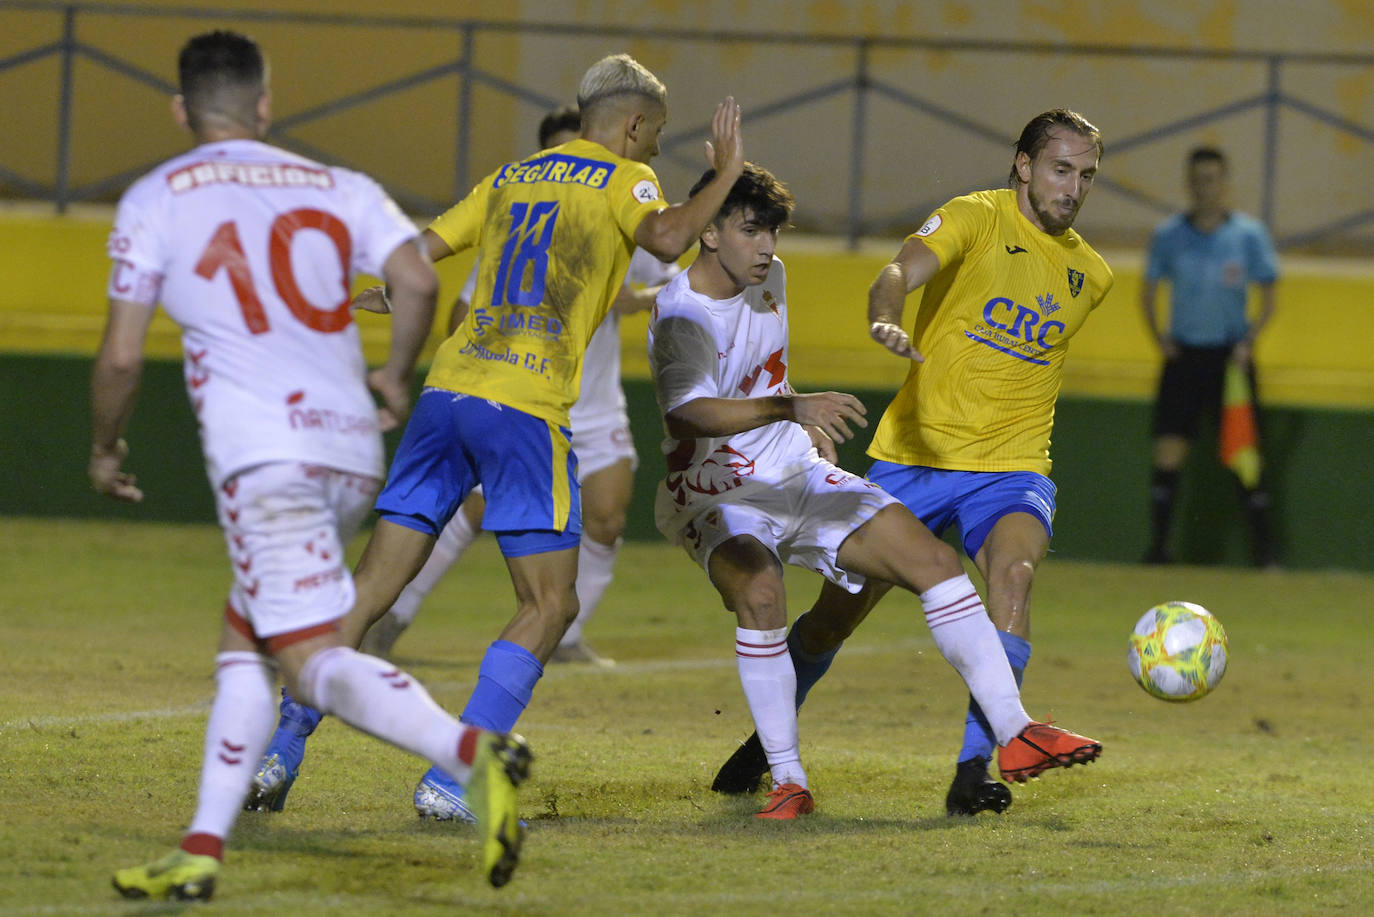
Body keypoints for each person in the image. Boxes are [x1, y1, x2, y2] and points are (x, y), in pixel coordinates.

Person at [242, 53, 746, 822]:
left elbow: (414, 258)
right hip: (522, 404)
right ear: (634, 124)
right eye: (655, 135)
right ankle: (453, 778)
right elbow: (673, 235)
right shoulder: (623, 177)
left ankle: (281, 747)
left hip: (446, 394)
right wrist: (724, 175)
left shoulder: (511, 176)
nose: (652, 150)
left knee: (372, 586)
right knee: (548, 605)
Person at [92, 31, 531, 901]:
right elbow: (416, 279)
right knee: (247, 639)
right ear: (265, 105)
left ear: (182, 111)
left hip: (268, 457)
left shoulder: (156, 197)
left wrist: (105, 447)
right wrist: (394, 377)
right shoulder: (341, 186)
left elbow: (119, 356)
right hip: (347, 446)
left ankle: (474, 753)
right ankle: (202, 847)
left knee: (309, 658)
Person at [651, 161, 1102, 820]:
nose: (768, 246)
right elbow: (684, 415)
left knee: (935, 563)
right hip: (715, 489)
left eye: (773, 231)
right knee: (763, 592)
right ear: (709, 231)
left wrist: (800, 436)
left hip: (794, 469)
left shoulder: (770, 276)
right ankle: (787, 778)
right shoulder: (678, 312)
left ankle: (1015, 731)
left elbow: (757, 368)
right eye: (751, 231)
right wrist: (791, 410)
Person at [1141, 146, 1279, 567]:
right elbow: (1147, 291)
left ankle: (1264, 556)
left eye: (1213, 179)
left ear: (1224, 183)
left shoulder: (1247, 235)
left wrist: (1249, 339)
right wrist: (1160, 337)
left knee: (1244, 457)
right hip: (1184, 356)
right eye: (1198, 180)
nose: (1206, 188)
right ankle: (1159, 550)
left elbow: (1269, 293)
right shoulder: (1169, 235)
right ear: (1189, 184)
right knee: (1168, 452)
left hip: (1230, 360)